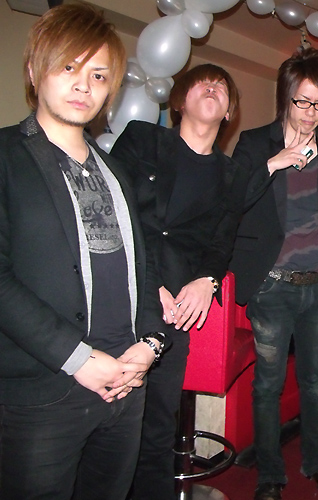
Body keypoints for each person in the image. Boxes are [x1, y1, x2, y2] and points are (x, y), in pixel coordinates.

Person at [0, 4, 164, 500]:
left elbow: (142, 265)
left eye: (98, 75)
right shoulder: (6, 158)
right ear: (35, 71)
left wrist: (151, 343)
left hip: (126, 384)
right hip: (45, 391)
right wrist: (78, 359)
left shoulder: (116, 170)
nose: (83, 85)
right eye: (69, 67)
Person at [228, 48, 318, 500]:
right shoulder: (255, 143)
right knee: (267, 385)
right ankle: (269, 474)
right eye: (302, 101)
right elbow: (231, 202)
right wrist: (274, 163)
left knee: (315, 385)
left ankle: (317, 463)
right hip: (271, 287)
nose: (310, 112)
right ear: (285, 97)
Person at [110, 64, 247, 500]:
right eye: (203, 83)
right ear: (179, 101)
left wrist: (207, 280)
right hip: (119, 295)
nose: (214, 88)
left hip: (176, 312)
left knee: (157, 429)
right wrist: (150, 280)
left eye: (222, 87)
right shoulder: (142, 138)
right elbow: (114, 214)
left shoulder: (232, 174)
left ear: (229, 112)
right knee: (106, 426)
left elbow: (221, 243)